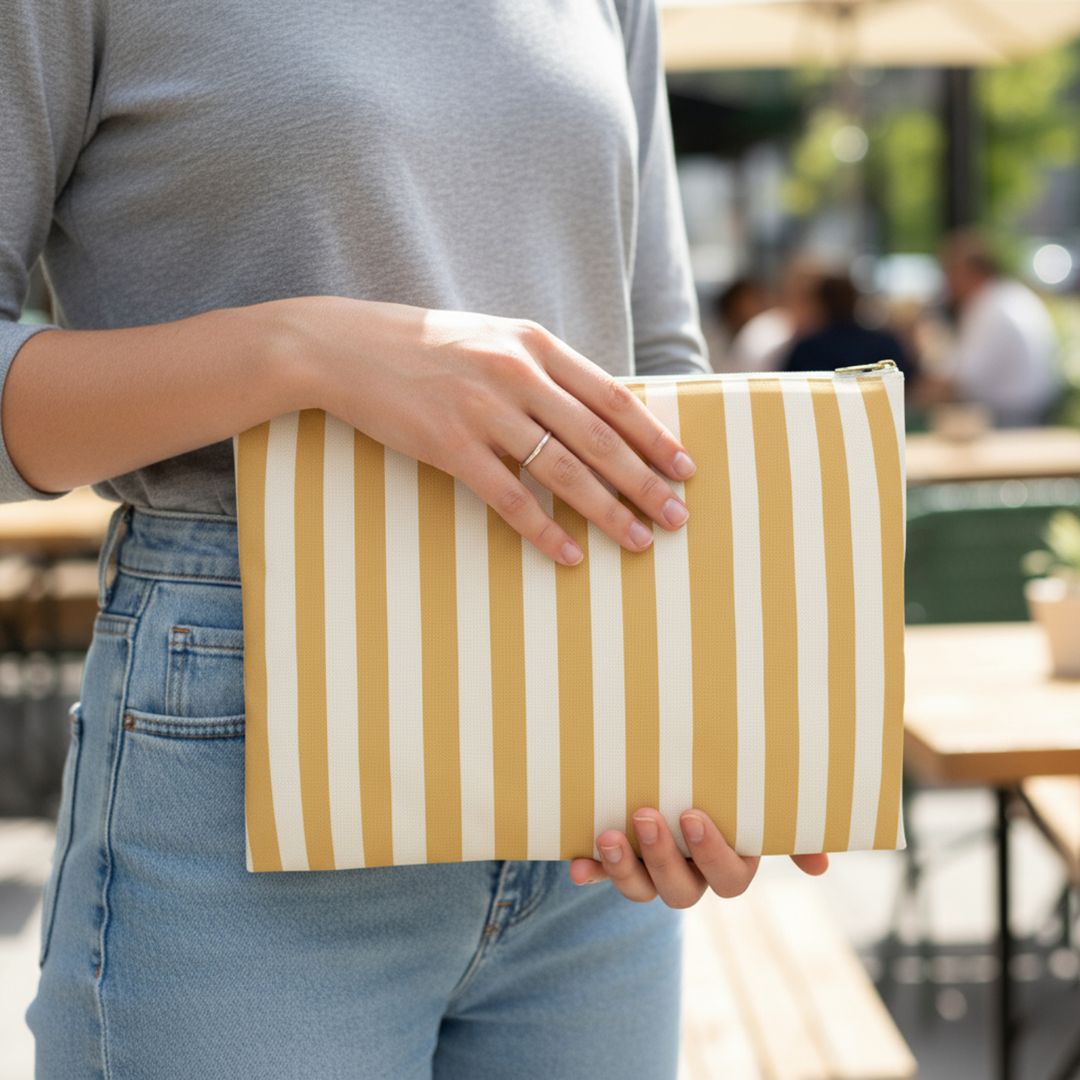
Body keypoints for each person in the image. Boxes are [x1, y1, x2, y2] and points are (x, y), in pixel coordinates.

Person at [2, 3, 827, 1077]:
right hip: (248, 760)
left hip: (588, 789)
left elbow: (656, 355)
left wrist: (711, 723)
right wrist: (300, 349)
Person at [920, 229, 1062, 426]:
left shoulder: (989, 308)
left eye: (950, 271)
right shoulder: (1007, 296)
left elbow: (960, 381)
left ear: (969, 272)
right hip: (1032, 412)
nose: (947, 282)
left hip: (1012, 418)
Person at [783, 271, 914, 380]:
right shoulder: (885, 343)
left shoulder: (807, 349)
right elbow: (906, 382)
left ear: (821, 303)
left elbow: (789, 386)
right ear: (855, 300)